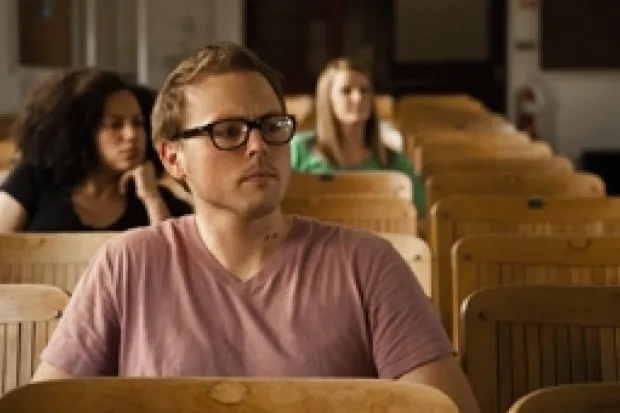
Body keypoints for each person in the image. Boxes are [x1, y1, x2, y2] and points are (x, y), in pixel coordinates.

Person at [32, 43, 479, 413]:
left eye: (271, 126)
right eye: (228, 131)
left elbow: (446, 407)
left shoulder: (368, 264)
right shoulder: (125, 264)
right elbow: (45, 405)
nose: (258, 146)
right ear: (172, 158)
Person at [0, 69, 192, 232]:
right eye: (115, 125)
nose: (132, 135)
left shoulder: (163, 202)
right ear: (82, 131)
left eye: (138, 123)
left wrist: (152, 199)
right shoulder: (34, 180)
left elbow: (175, 267)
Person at [290, 58, 426, 219]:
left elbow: (420, 221)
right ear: (327, 100)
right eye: (346, 91)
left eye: (364, 90)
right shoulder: (297, 150)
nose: (358, 98)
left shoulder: (394, 162)